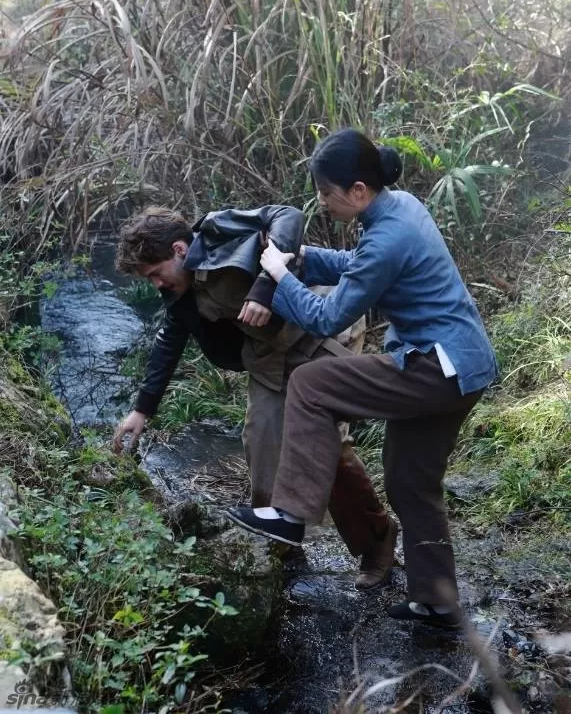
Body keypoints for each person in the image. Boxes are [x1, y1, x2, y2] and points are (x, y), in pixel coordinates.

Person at [226, 129, 499, 629]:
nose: (321, 202)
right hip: (466, 368)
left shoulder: (389, 233)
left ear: (356, 191)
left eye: (326, 194)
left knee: (311, 383)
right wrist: (304, 259)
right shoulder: (399, 208)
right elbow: (361, 267)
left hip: (436, 367)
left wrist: (278, 279)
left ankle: (288, 514)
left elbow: (329, 318)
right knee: (409, 481)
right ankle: (438, 601)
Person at [111, 204, 399, 590]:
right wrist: (142, 410)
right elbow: (170, 341)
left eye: (155, 274)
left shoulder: (218, 230)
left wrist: (264, 287)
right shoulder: (179, 293)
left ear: (179, 250)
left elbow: (288, 216)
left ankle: (376, 542)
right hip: (269, 353)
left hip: (318, 326)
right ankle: (278, 542)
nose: (156, 284)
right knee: (262, 438)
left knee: (324, 446)